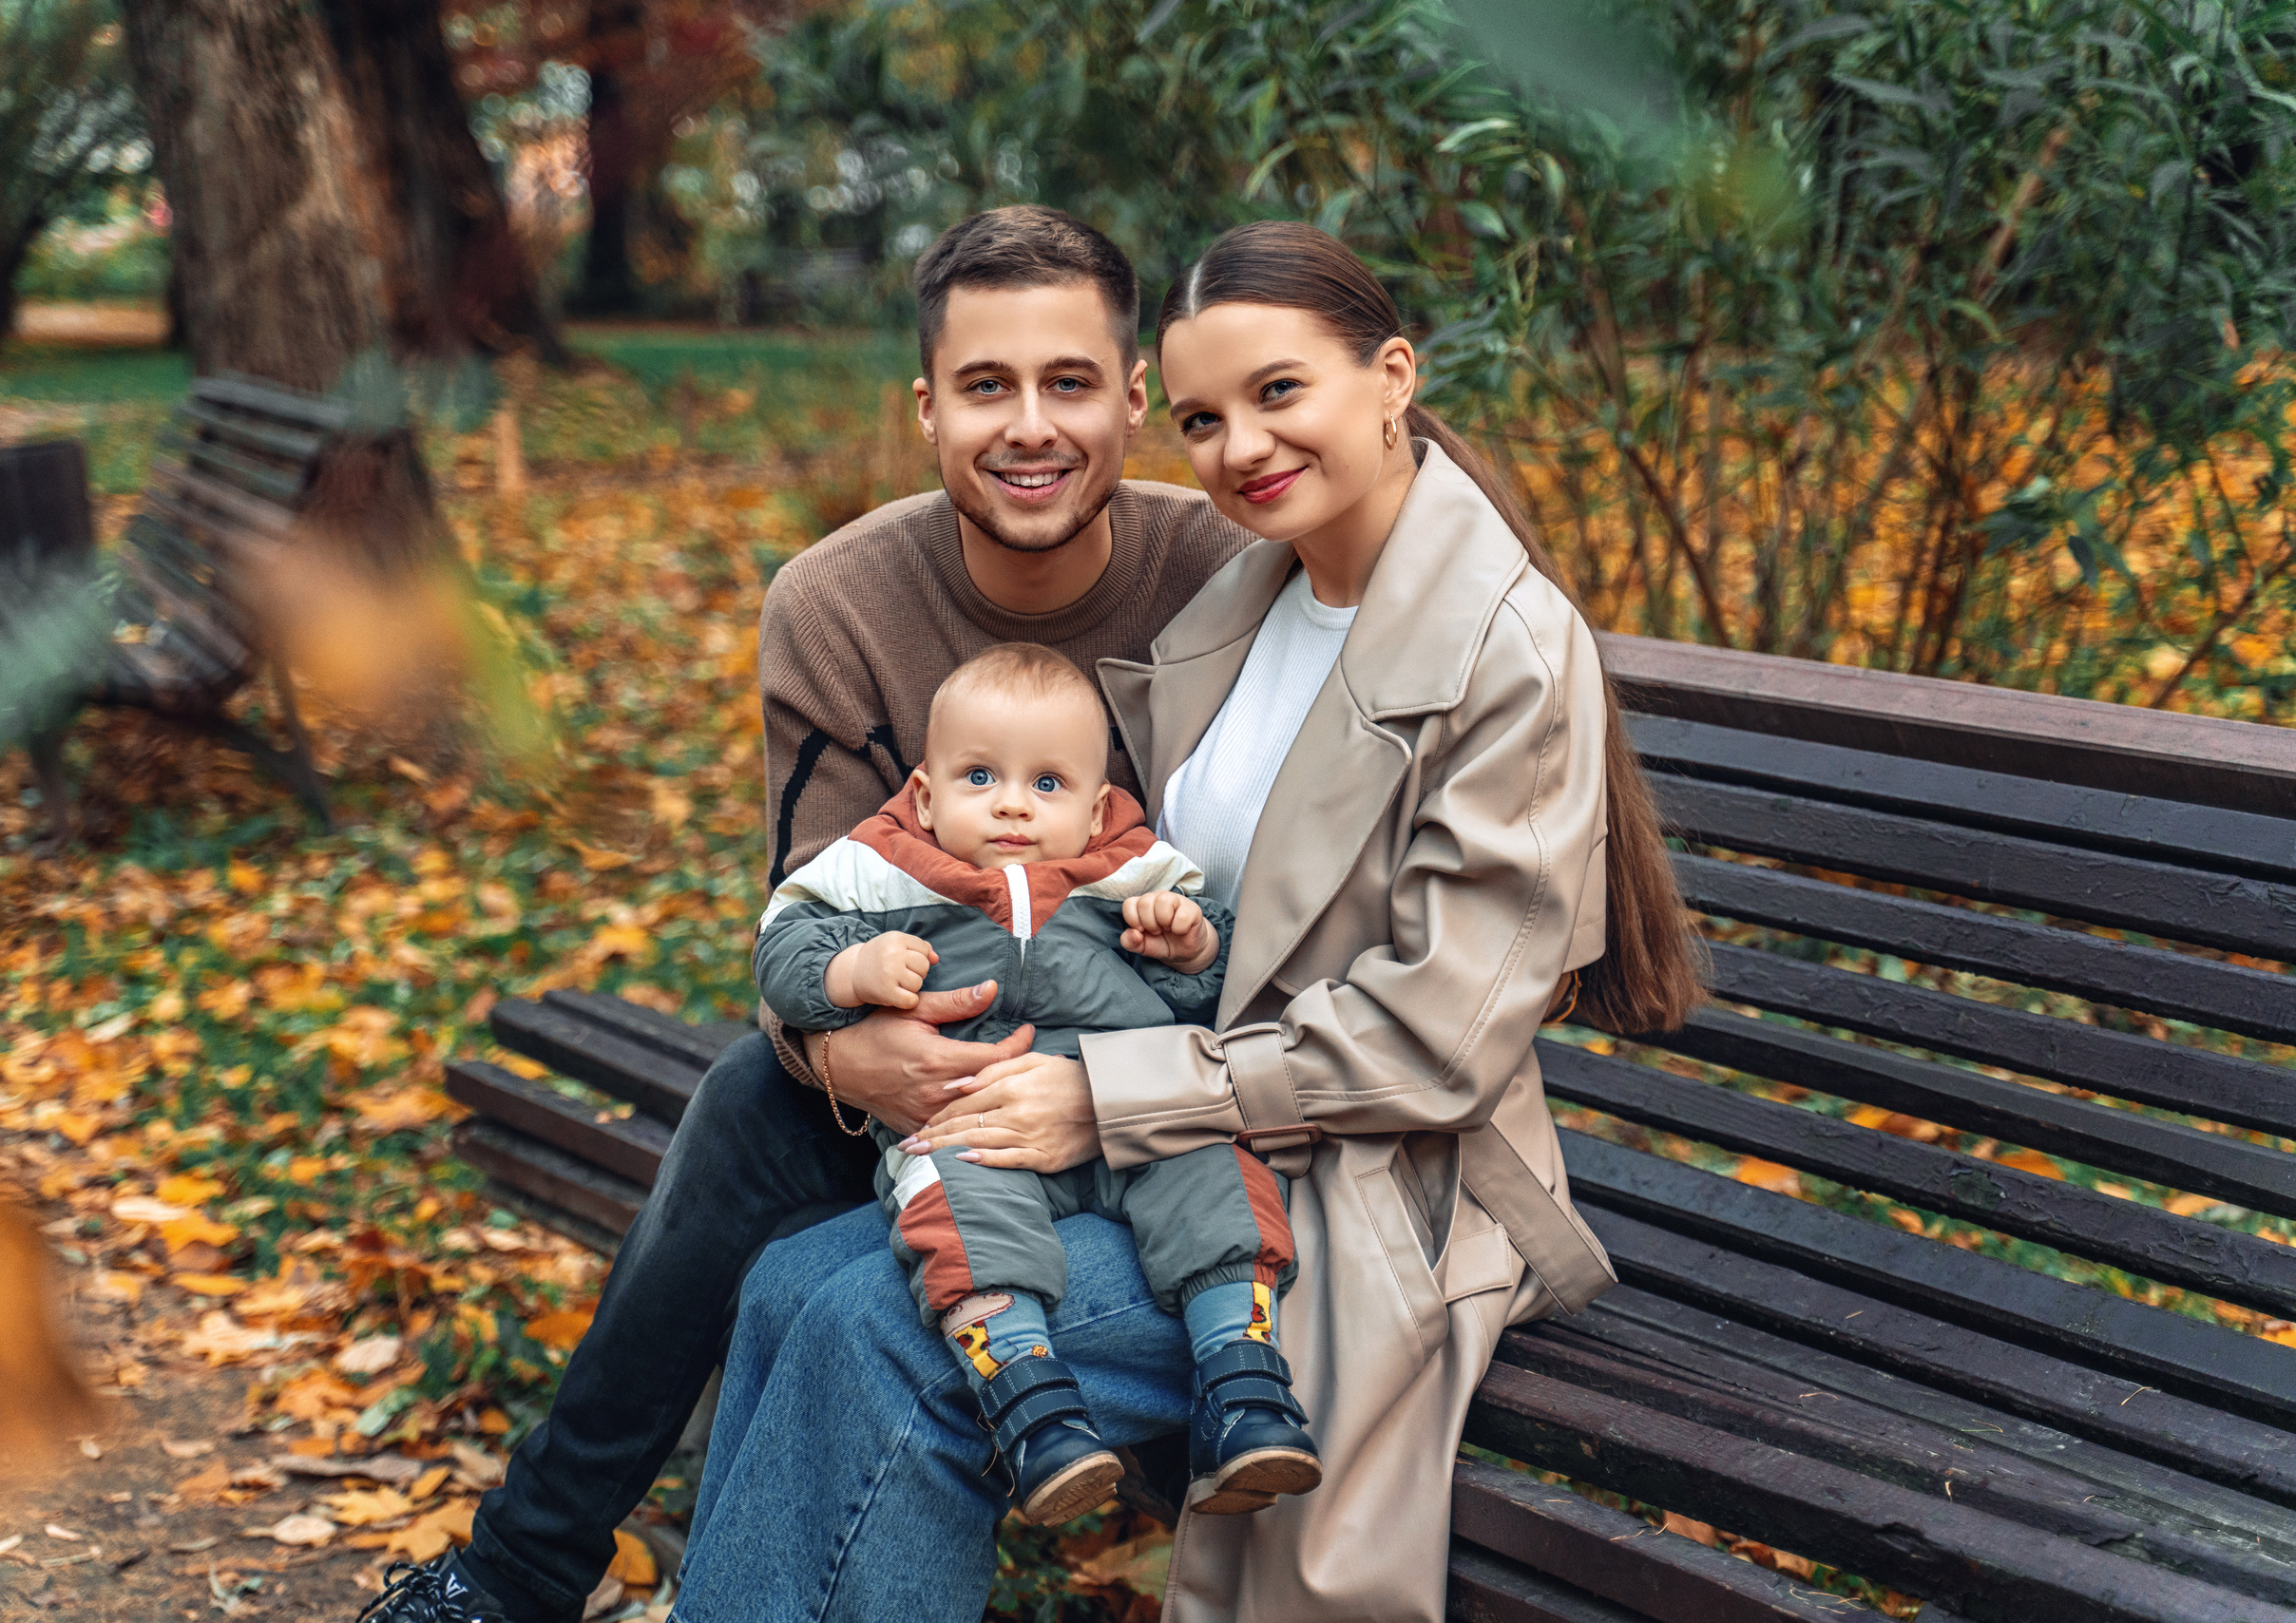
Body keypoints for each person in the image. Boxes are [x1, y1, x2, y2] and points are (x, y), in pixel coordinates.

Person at [672, 220, 1703, 1622]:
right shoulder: (1254, 595)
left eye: (1280, 393)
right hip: (1179, 1125)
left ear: (1391, 377)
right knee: (792, 1285)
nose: (1241, 449)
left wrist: (1106, 1096)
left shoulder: (1503, 651)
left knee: (879, 1336)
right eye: (1209, 417)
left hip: (1361, 1184)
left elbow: (1440, 1042)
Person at [357, 207, 1252, 1623]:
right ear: (925, 409)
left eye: (1071, 383)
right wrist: (840, 1053)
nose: (1033, 427)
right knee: (749, 1105)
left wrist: (1104, 1070)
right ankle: (521, 1572)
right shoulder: (839, 602)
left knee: (829, 1297)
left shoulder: (1225, 572)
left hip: (1150, 1077)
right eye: (987, 386)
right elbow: (807, 922)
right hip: (934, 1066)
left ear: (1135, 399)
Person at [756, 641, 1316, 1527]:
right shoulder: (882, 868)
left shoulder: (1131, 874)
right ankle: (1032, 1407)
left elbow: (1210, 992)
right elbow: (782, 948)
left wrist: (1191, 945)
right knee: (957, 1210)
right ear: (928, 793)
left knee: (1214, 1176)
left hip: (1138, 1117)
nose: (1013, 803)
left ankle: (1242, 1384)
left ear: (1097, 811)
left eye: (1047, 785)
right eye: (980, 776)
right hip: (975, 1125)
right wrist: (851, 970)